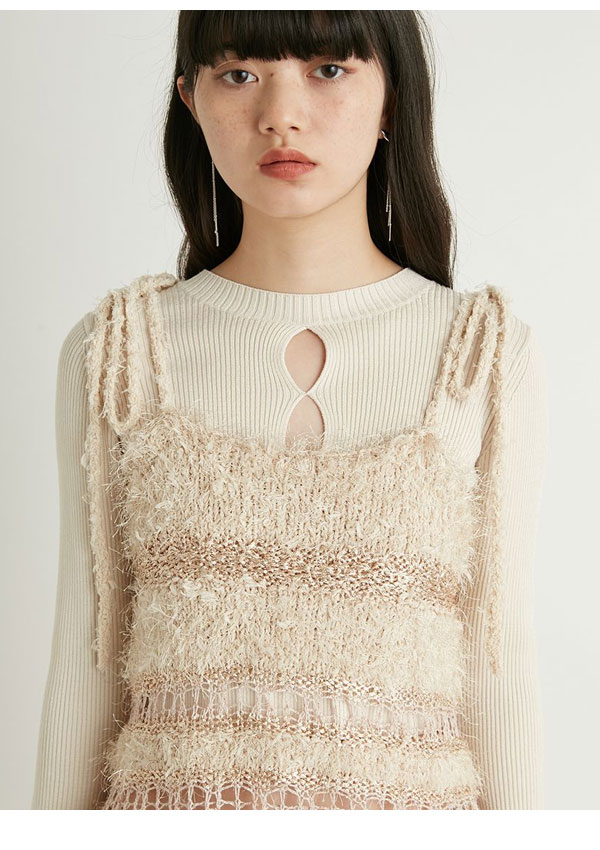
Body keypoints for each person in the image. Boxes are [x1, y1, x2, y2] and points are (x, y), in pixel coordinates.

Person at [31, 10, 548, 809]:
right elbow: (86, 660)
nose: (280, 114)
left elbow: (498, 669)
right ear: (190, 99)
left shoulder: (483, 352)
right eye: (239, 74)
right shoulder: (118, 352)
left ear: (392, 97)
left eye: (327, 70)